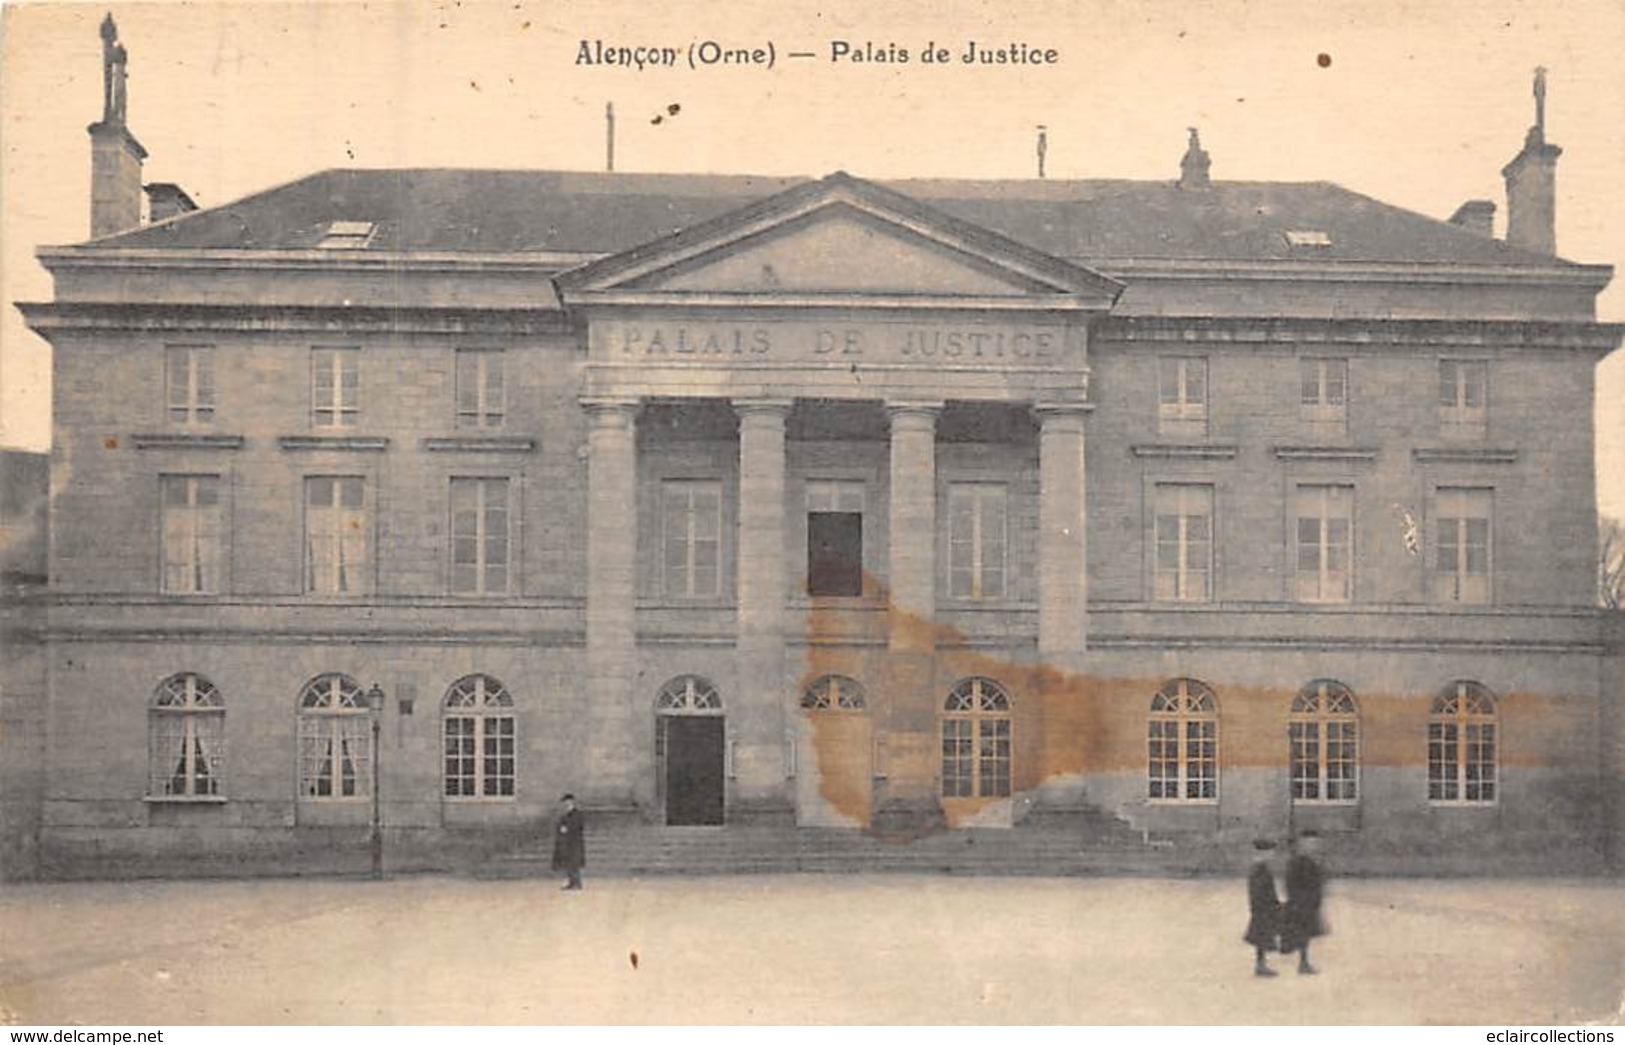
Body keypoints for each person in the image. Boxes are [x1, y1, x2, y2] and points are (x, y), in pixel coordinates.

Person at [1279, 831, 1327, 974]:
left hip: (1310, 904)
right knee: (1302, 934)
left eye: (1315, 844)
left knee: (1304, 934)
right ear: (1302, 845)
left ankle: (1303, 961)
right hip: (1300, 904)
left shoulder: (1313, 860)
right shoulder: (1297, 862)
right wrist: (1298, 901)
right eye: (1310, 843)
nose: (1313, 846)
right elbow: (1290, 883)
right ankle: (1302, 963)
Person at [1243, 838, 1282, 977]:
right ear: (1264, 852)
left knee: (1263, 936)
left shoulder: (1259, 867)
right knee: (1262, 937)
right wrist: (1269, 906)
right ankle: (1260, 966)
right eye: (1271, 851)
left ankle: (1261, 964)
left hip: (1263, 908)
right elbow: (1259, 891)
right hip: (1263, 908)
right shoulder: (1260, 868)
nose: (1273, 854)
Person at [551, 793, 586, 891]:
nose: (566, 804)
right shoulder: (565, 815)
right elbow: (560, 825)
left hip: (575, 841)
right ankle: (571, 882)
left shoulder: (577, 814)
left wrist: (567, 829)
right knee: (568, 863)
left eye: (568, 802)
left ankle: (577, 883)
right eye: (565, 802)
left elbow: (579, 826)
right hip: (566, 842)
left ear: (572, 802)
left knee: (574, 863)